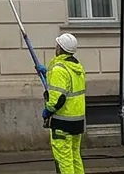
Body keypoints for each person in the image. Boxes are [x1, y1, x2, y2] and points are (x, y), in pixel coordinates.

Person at [43, 33, 87, 174]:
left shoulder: (59, 69)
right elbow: (67, 87)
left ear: (60, 48)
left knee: (64, 161)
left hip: (62, 123)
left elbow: (57, 99)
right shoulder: (77, 67)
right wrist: (47, 73)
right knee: (75, 158)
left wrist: (48, 111)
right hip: (77, 121)